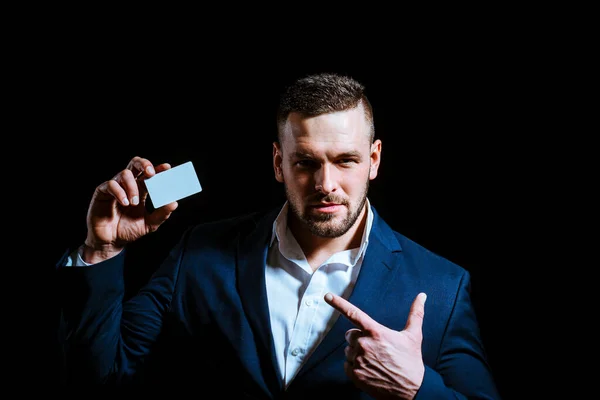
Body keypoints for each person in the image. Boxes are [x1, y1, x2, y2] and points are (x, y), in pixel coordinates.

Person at [55, 72, 501, 399]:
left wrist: (418, 387)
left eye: (346, 160)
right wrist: (103, 249)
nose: (326, 183)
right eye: (306, 162)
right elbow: (99, 380)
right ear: (277, 162)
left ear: (374, 159)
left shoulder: (441, 285)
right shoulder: (201, 252)